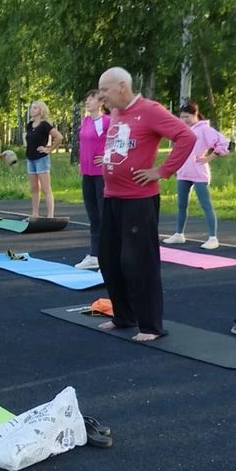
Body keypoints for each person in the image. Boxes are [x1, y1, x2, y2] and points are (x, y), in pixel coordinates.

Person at [96, 67, 195, 342]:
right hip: (112, 196)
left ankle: (151, 325)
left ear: (122, 87)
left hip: (139, 201)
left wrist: (162, 171)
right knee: (109, 259)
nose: (102, 96)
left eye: (105, 90)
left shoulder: (150, 110)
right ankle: (124, 316)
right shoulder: (116, 113)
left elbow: (187, 137)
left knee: (139, 262)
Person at [163, 101, 230, 250]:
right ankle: (179, 234)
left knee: (206, 205)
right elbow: (177, 151)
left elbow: (223, 143)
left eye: (187, 116)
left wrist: (208, 158)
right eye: (182, 117)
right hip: (183, 172)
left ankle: (213, 238)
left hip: (198, 172)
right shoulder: (182, 130)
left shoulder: (204, 129)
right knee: (181, 205)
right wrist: (174, 167)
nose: (184, 119)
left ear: (195, 115)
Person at [74, 90, 110, 270]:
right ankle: (95, 255)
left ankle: (108, 253)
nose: (87, 102)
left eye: (91, 99)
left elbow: (118, 141)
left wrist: (107, 156)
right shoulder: (86, 121)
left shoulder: (107, 121)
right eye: (86, 99)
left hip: (101, 174)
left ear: (101, 102)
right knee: (93, 216)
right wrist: (82, 163)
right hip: (87, 173)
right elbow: (84, 145)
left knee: (104, 214)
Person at [24, 101, 64, 218]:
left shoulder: (45, 125)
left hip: (41, 159)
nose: (32, 110)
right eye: (32, 108)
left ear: (41, 110)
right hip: (30, 158)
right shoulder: (30, 124)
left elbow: (59, 137)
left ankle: (50, 215)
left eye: (35, 108)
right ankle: (35, 213)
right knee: (34, 188)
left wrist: (49, 149)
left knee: (46, 188)